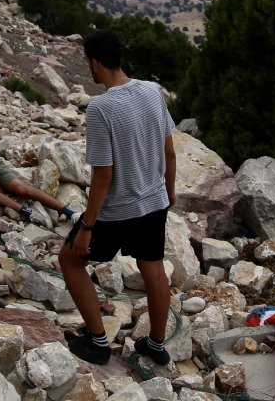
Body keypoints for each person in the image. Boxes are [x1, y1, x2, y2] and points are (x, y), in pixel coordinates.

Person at [58, 29, 176, 366]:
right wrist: (168, 193)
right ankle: (155, 343)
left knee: (69, 260)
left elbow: (104, 176)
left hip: (117, 210)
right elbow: (169, 150)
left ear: (95, 63)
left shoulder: (101, 109)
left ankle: (97, 343)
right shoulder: (153, 92)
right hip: (154, 201)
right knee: (153, 269)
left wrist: (86, 227)